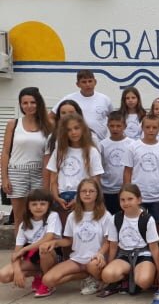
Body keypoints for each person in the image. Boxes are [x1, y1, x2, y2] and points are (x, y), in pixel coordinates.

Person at [41, 178, 112, 296]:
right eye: (84, 191)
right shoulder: (72, 216)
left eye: (91, 191)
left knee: (92, 266)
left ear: (97, 194)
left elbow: (108, 241)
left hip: (95, 260)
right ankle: (86, 276)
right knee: (48, 280)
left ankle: (97, 280)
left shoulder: (105, 215)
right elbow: (68, 240)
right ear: (78, 194)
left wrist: (100, 253)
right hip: (77, 259)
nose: (87, 194)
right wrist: (55, 243)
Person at [2, 87, 52, 233]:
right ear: (20, 105)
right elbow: (5, 152)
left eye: (33, 102)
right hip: (17, 172)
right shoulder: (13, 124)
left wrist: (48, 182)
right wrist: (4, 178)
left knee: (40, 215)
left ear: (39, 103)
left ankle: (36, 246)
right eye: (25, 103)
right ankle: (19, 246)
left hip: (40, 173)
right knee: (19, 217)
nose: (29, 106)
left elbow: (49, 155)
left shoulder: (48, 125)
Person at [99, 184, 159, 297]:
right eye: (122, 200)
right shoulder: (115, 218)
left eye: (130, 199)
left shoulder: (147, 219)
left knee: (144, 281)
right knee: (107, 275)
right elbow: (113, 245)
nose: (126, 203)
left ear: (139, 200)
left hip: (143, 255)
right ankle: (124, 280)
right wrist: (110, 264)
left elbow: (154, 248)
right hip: (124, 255)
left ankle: (137, 279)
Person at [0, 189, 61, 297]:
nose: (38, 207)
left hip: (52, 256)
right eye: (34, 204)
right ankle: (39, 274)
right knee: (4, 275)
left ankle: (47, 283)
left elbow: (48, 237)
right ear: (28, 206)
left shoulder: (52, 216)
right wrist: (17, 271)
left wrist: (25, 249)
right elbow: (16, 253)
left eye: (42, 204)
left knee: (43, 248)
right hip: (33, 259)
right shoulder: (24, 224)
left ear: (48, 205)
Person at [122, 113, 159, 238]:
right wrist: (127, 194)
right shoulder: (133, 147)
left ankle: (158, 249)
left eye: (154, 127)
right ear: (142, 128)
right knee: (136, 225)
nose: (151, 130)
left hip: (157, 196)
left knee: (157, 226)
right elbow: (127, 171)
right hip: (137, 196)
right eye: (148, 127)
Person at [47, 114, 104, 220]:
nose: (73, 132)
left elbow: (96, 180)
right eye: (69, 130)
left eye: (76, 128)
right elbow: (53, 180)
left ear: (83, 129)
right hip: (62, 198)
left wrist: (79, 198)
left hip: (84, 197)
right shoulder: (59, 151)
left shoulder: (92, 151)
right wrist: (56, 197)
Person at [52, 70, 114, 140]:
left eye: (90, 81)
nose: (87, 84)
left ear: (95, 82)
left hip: (100, 141)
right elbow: (51, 117)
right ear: (77, 84)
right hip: (75, 141)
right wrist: (58, 131)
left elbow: (113, 119)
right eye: (84, 82)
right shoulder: (69, 99)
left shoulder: (105, 99)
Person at [98, 111, 134, 215]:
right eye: (112, 126)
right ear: (107, 126)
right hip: (107, 190)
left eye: (118, 126)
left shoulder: (132, 144)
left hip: (125, 189)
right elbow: (99, 167)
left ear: (125, 126)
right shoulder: (102, 145)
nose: (115, 129)